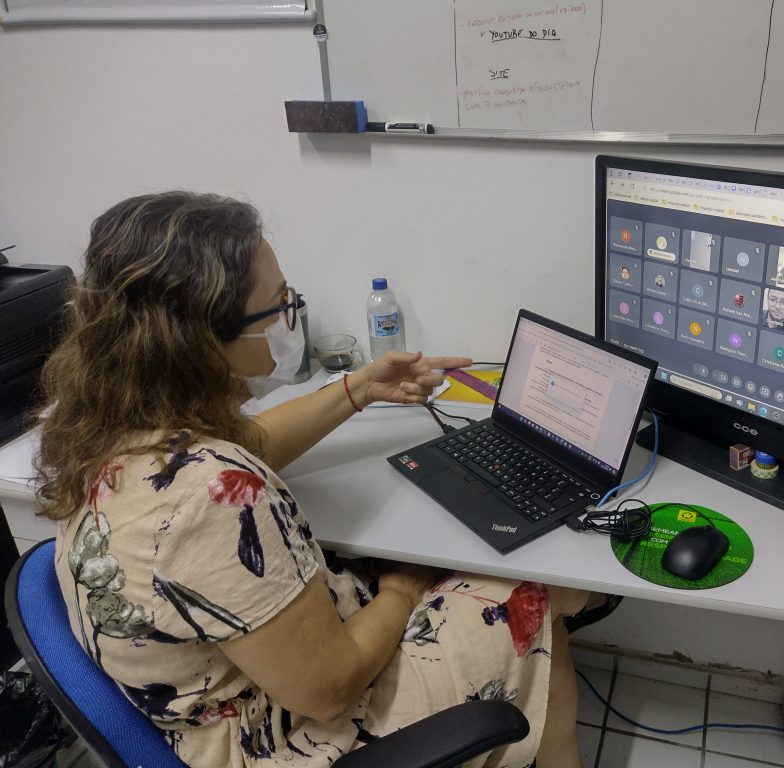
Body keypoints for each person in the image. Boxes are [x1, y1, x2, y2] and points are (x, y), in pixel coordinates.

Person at [34, 192, 598, 768]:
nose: (289, 315)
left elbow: (251, 442)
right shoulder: (206, 498)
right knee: (542, 595)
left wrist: (361, 388)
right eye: (279, 303)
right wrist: (404, 588)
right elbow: (328, 691)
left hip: (229, 686)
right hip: (280, 735)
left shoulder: (113, 422)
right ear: (205, 339)